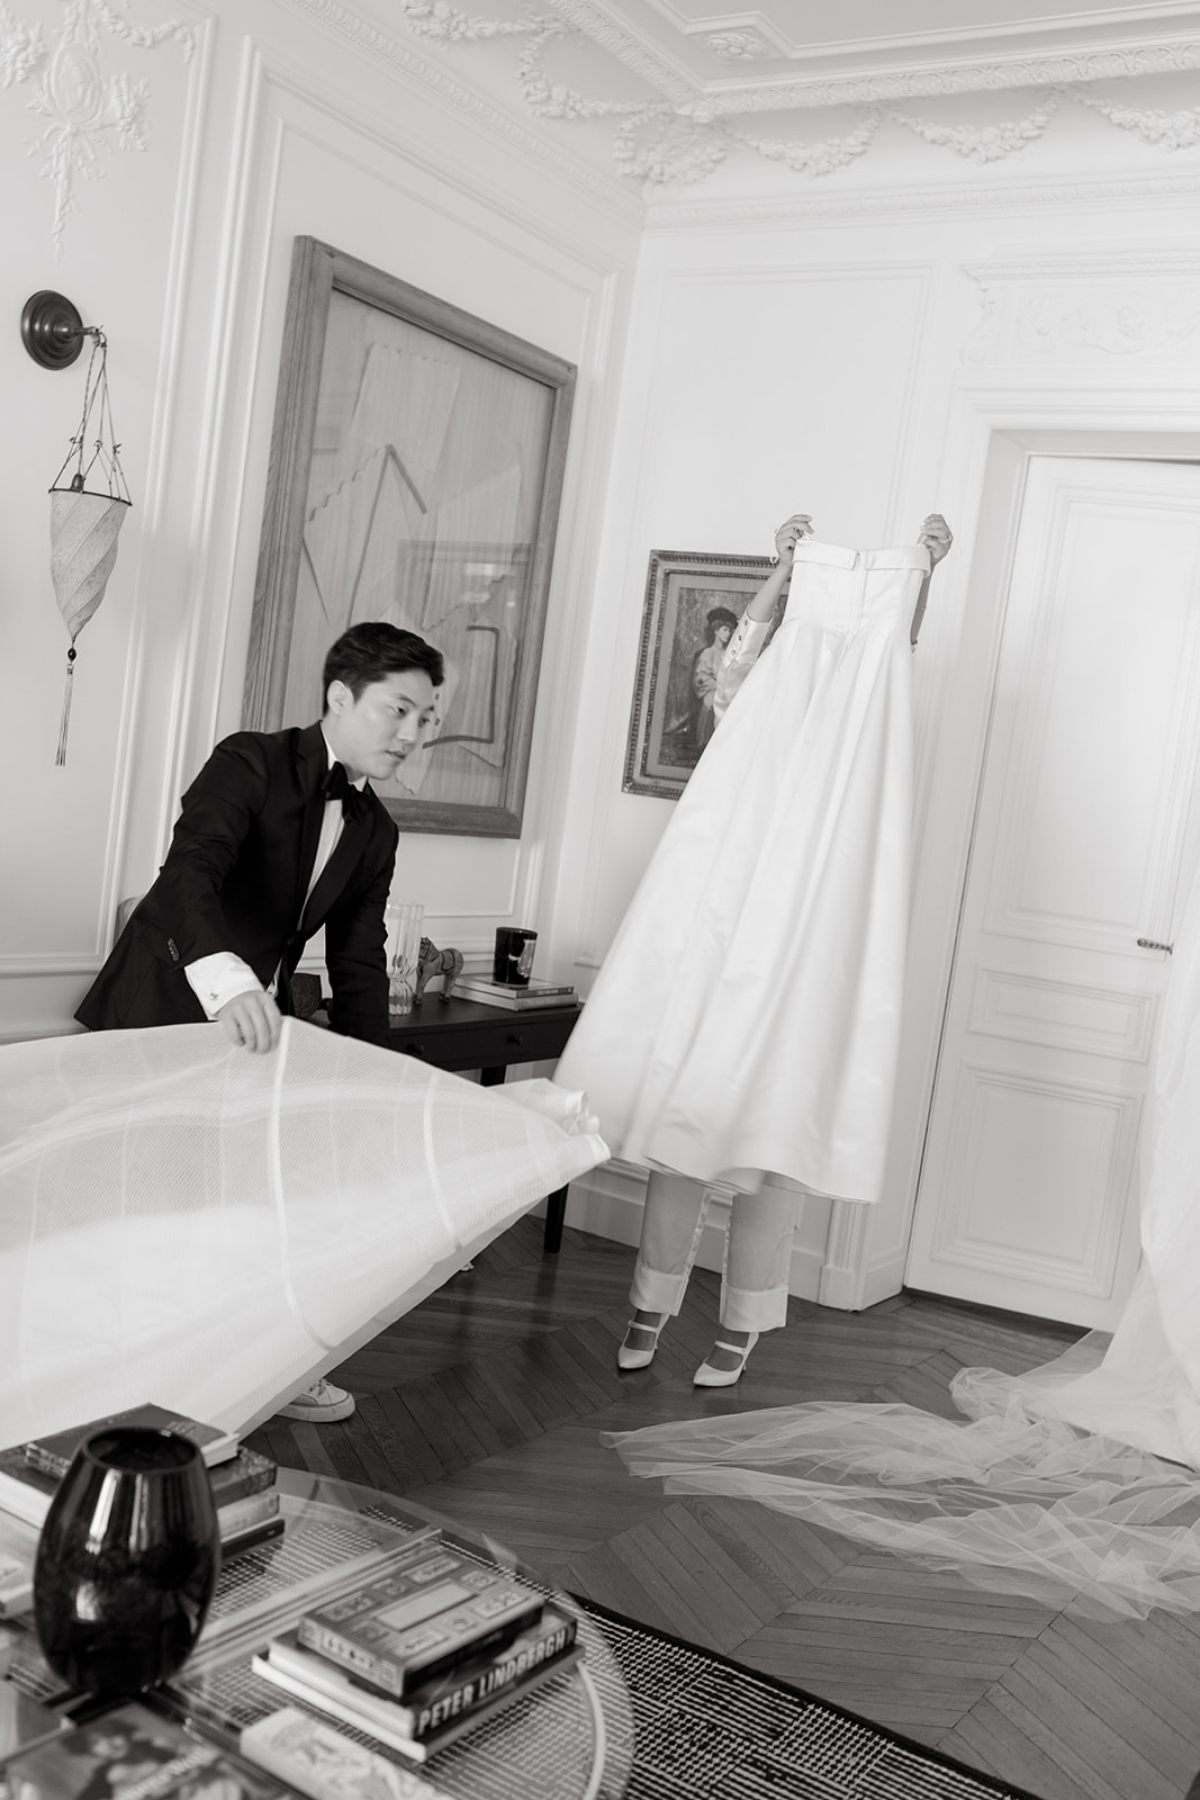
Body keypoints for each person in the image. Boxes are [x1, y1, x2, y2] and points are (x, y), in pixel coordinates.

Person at [557, 513, 953, 1387]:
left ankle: (743, 1322)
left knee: (773, 1138)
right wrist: (781, 570)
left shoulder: (873, 701)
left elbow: (899, 641)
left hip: (809, 924)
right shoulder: (755, 686)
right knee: (684, 1124)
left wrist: (923, 570)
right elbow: (737, 659)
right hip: (727, 914)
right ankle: (650, 1303)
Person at [75, 620, 444, 1421]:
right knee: (147, 1207)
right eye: (399, 710)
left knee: (259, 1197)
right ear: (339, 696)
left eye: (426, 719)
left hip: (257, 1031)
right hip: (164, 1007)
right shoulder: (249, 760)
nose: (413, 734)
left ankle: (263, 1362)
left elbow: (358, 960)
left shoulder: (377, 829)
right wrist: (225, 979)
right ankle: (124, 1377)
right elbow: (188, 875)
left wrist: (377, 1075)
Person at [689, 607, 737, 751]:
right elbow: (701, 679)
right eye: (724, 630)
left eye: (729, 631)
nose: (728, 634)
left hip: (727, 695)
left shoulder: (727, 654)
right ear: (716, 631)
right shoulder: (708, 653)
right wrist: (720, 686)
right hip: (712, 697)